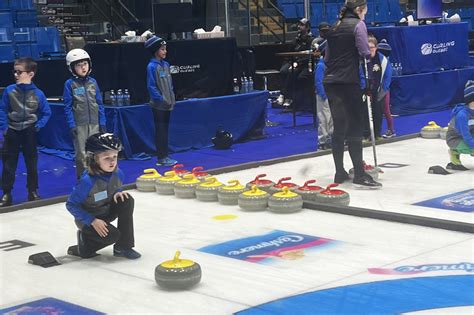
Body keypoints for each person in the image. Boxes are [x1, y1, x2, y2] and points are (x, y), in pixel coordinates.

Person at [323, 0, 382, 189]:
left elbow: (327, 57)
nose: (365, 15)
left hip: (331, 82)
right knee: (355, 126)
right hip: (349, 81)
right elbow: (366, 52)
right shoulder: (358, 25)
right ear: (359, 10)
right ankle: (359, 174)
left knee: (339, 127)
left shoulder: (335, 26)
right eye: (364, 11)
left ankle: (339, 172)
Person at [66, 133, 141, 259]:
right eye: (106, 158)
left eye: (115, 156)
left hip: (105, 212)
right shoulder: (87, 181)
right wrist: (92, 221)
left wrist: (118, 192)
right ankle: (85, 244)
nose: (112, 162)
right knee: (113, 235)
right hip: (89, 220)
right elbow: (71, 205)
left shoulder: (118, 174)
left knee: (127, 200)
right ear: (94, 158)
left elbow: (114, 188)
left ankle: (123, 247)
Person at [0, 57, 51, 207]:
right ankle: (7, 193)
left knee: (31, 164)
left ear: (30, 74)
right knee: (9, 164)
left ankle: (33, 191)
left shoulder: (38, 94)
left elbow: (47, 113)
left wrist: (37, 126)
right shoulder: (9, 91)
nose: (15, 75)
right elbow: (2, 110)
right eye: (15, 72)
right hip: (12, 131)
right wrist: (5, 128)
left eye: (19, 72)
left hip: (29, 131)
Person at [63, 48, 106, 179]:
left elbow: (99, 103)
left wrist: (102, 122)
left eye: (85, 64)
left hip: (95, 123)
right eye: (78, 65)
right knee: (82, 154)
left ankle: (97, 178)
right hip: (79, 124)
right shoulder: (70, 84)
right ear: (71, 67)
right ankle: (83, 180)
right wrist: (71, 125)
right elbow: (68, 107)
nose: (83, 67)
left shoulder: (93, 82)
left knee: (96, 152)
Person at [145, 35, 178, 167]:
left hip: (168, 104)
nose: (165, 52)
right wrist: (161, 99)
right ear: (155, 51)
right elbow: (151, 86)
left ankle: (165, 155)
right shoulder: (151, 66)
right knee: (160, 131)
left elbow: (169, 84)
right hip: (159, 106)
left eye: (165, 49)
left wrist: (171, 98)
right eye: (162, 49)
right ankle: (161, 157)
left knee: (165, 130)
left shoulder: (166, 65)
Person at [277, 18, 314, 111]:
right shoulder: (297, 39)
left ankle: (286, 96)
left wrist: (297, 63)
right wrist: (289, 62)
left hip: (303, 63)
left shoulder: (311, 39)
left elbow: (308, 55)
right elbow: (291, 51)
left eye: (301, 25)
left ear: (307, 27)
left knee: (291, 72)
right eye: (299, 25)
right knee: (283, 71)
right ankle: (284, 95)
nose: (299, 27)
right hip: (294, 61)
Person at [360, 36, 392, 140]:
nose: (370, 50)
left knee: (378, 113)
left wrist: (382, 91)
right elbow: (360, 75)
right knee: (365, 114)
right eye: (368, 47)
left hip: (379, 91)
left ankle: (377, 134)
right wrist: (364, 88)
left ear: (376, 47)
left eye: (372, 47)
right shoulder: (362, 60)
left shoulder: (383, 60)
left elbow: (387, 77)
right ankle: (366, 134)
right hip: (366, 91)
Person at [445, 80, 474, 171]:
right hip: (455, 139)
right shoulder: (462, 115)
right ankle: (454, 152)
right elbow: (466, 135)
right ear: (471, 101)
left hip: (469, 135)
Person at [377, 39, 396, 138]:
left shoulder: (386, 62)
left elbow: (387, 79)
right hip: (376, 89)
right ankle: (377, 131)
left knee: (386, 110)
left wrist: (383, 90)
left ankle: (391, 130)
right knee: (378, 111)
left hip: (384, 90)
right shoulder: (377, 61)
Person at [314, 48, 333, 150]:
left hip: (331, 95)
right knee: (323, 118)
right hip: (323, 96)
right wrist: (324, 96)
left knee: (330, 118)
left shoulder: (330, 65)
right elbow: (318, 82)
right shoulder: (321, 66)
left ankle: (330, 138)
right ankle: (322, 141)